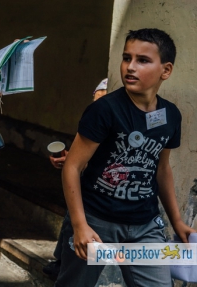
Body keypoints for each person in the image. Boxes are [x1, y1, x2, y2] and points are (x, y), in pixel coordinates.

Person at [56, 29, 196, 286]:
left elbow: (162, 169)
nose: (130, 67)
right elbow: (72, 167)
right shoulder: (104, 110)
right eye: (126, 58)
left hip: (145, 227)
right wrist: (79, 224)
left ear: (165, 70)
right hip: (96, 223)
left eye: (143, 60)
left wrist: (177, 221)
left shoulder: (171, 115)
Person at [43, 78, 108, 281]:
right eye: (96, 101)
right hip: (89, 189)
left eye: (104, 101)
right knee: (72, 217)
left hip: (104, 198)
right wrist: (69, 159)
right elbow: (81, 159)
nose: (99, 107)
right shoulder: (94, 122)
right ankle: (61, 260)